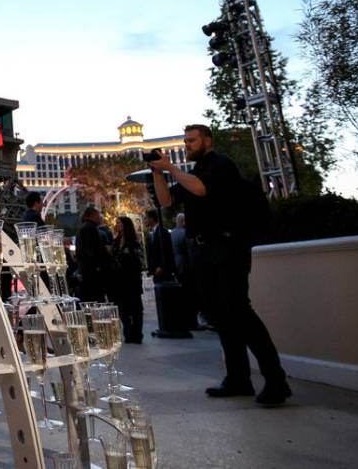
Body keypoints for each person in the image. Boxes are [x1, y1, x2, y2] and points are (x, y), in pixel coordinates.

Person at [148, 124, 291, 406]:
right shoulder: (192, 173)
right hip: (202, 252)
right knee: (222, 316)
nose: (187, 145)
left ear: (207, 141)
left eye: (191, 140)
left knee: (240, 312)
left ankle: (277, 381)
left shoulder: (220, 165)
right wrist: (157, 172)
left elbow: (201, 190)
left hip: (227, 248)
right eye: (185, 141)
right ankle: (238, 378)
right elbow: (165, 200)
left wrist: (172, 169)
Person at [110, 215, 144, 343]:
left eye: (119, 223)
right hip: (119, 280)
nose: (116, 225)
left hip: (132, 279)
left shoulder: (133, 241)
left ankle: (137, 333)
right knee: (123, 308)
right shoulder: (116, 240)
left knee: (135, 307)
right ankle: (128, 333)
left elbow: (137, 259)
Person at [75, 205, 112, 302]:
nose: (100, 217)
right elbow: (92, 251)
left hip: (87, 272)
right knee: (96, 300)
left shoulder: (83, 228)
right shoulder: (90, 228)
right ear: (92, 215)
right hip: (93, 274)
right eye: (98, 215)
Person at [144, 209, 175, 283]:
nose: (144, 220)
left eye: (146, 218)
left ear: (151, 219)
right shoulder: (151, 233)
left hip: (163, 271)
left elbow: (167, 250)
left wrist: (161, 266)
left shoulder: (162, 232)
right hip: (155, 271)